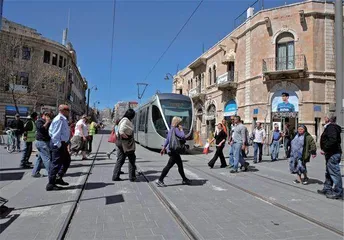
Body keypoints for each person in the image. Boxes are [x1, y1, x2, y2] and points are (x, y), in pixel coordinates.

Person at [156, 117, 191, 187]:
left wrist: (163, 148)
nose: (181, 124)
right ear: (178, 123)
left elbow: (167, 140)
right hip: (174, 151)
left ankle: (184, 179)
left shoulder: (171, 129)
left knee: (180, 165)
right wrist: (181, 130)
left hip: (171, 150)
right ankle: (160, 180)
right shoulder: (176, 129)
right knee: (169, 166)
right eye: (180, 123)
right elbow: (183, 136)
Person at [318, 115, 343, 199]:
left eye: (325, 117)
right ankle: (327, 188)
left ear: (328, 119)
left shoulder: (331, 127)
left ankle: (338, 192)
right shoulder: (331, 127)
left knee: (334, 173)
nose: (324, 119)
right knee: (328, 172)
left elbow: (333, 139)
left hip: (333, 153)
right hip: (331, 153)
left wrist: (325, 149)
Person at [47, 105, 71, 191]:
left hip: (61, 144)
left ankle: (58, 177)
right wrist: (59, 145)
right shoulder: (59, 119)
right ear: (63, 110)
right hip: (58, 144)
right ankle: (51, 184)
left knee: (66, 161)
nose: (69, 111)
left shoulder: (62, 119)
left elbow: (50, 130)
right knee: (56, 163)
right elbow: (54, 134)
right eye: (68, 110)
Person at [112, 109, 137, 182]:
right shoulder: (126, 120)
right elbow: (121, 131)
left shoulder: (123, 119)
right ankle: (132, 177)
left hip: (121, 142)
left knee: (121, 159)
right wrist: (127, 137)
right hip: (125, 143)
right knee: (132, 158)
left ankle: (115, 176)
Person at [32, 111, 53, 178]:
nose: (49, 117)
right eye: (48, 115)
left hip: (45, 141)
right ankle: (51, 174)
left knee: (40, 158)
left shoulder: (48, 122)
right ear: (44, 115)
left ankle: (35, 172)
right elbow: (41, 129)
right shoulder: (39, 121)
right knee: (47, 158)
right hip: (41, 142)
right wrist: (47, 122)